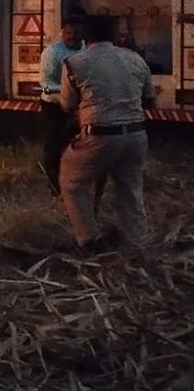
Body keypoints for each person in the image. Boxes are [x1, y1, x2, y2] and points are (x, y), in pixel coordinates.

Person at [58, 13, 154, 255]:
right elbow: (150, 101)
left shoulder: (75, 63)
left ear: (85, 36)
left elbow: (68, 105)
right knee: (130, 190)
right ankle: (138, 243)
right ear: (113, 35)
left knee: (72, 182)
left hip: (99, 136)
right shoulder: (136, 59)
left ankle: (90, 240)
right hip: (136, 135)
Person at [39, 18, 83, 196]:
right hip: (54, 105)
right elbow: (45, 84)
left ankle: (74, 181)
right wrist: (68, 89)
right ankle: (53, 183)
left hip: (78, 107)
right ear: (63, 32)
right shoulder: (52, 53)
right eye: (69, 32)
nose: (72, 37)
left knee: (78, 145)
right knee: (54, 144)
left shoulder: (86, 49)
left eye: (76, 33)